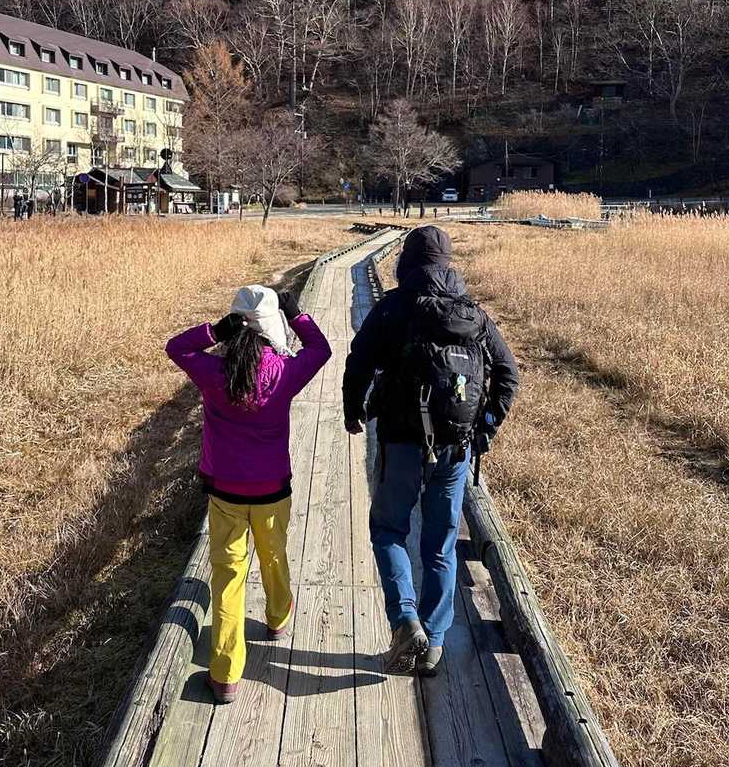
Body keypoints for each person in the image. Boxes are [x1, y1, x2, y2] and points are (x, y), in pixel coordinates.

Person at [343, 226, 518, 676]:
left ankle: (405, 619)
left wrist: (353, 409)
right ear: (447, 263)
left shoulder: (392, 308)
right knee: (440, 545)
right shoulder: (473, 314)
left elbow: (359, 360)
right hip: (456, 447)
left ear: (408, 262)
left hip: (401, 441)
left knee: (388, 530)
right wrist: (484, 428)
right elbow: (508, 375)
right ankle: (434, 643)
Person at [166, 285, 331, 704]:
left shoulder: (213, 373)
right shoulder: (284, 372)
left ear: (234, 326)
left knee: (228, 576)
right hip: (272, 488)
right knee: (274, 554)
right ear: (272, 327)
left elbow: (176, 348)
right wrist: (296, 314)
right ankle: (277, 617)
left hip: (225, 492)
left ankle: (224, 674)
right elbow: (321, 349)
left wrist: (212, 332)